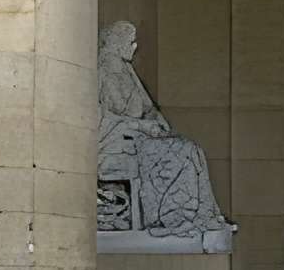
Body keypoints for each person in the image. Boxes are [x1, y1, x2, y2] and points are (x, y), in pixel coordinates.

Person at [96, 20, 228, 236]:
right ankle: (174, 216)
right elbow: (101, 119)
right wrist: (142, 126)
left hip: (141, 138)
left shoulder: (127, 72)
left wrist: (157, 123)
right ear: (117, 43)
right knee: (181, 152)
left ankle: (200, 213)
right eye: (131, 42)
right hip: (117, 142)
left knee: (191, 148)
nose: (135, 47)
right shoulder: (100, 72)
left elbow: (148, 107)